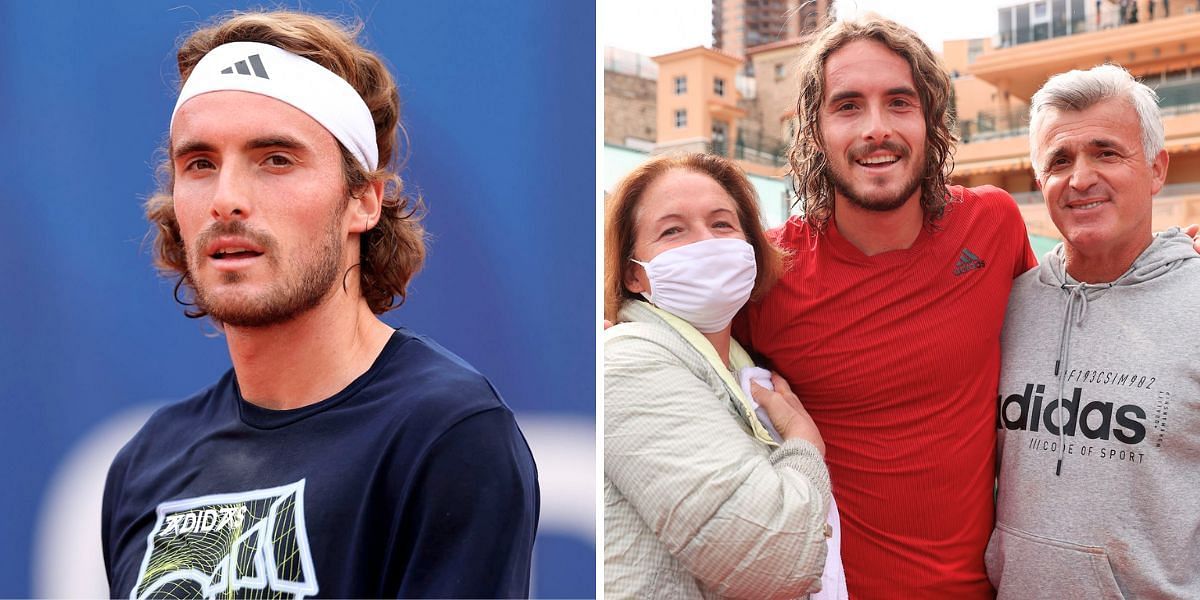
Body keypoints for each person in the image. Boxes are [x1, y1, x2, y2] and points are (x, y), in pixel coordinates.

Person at [100, 10, 539, 598]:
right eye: (200, 164)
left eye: (275, 159)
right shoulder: (145, 461)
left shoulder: (446, 433)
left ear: (363, 200)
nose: (226, 199)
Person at [734, 16, 1038, 598]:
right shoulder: (766, 269)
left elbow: (1073, 310)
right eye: (848, 106)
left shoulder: (993, 224)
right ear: (815, 131)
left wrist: (1169, 261)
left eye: (899, 102)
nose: (877, 129)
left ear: (929, 120)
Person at [987, 64, 1200, 598]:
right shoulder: (1006, 305)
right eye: (1060, 160)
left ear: (1156, 169)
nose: (1080, 178)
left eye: (1106, 152)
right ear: (1041, 183)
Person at [604, 153, 838, 599]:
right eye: (673, 230)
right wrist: (805, 444)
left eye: (722, 224)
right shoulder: (629, 361)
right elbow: (771, 559)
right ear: (635, 274)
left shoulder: (744, 370)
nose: (704, 244)